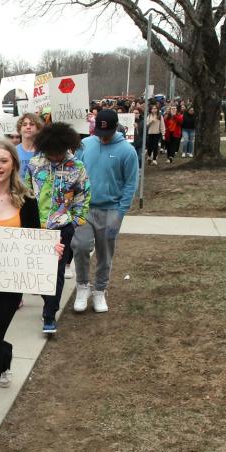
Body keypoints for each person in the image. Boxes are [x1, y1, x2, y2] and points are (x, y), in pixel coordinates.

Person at [0, 140, 62, 428]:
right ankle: (6, 356)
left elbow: (32, 239)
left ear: (14, 165)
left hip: (8, 284)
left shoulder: (26, 202)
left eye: (4, 161)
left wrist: (48, 250)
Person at [72, 109, 139, 314]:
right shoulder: (87, 144)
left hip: (111, 210)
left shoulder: (127, 151)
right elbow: (73, 170)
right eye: (100, 133)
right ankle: (83, 286)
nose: (103, 138)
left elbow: (130, 184)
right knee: (80, 246)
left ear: (115, 127)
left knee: (105, 251)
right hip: (85, 207)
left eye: (107, 133)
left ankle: (100, 289)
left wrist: (121, 212)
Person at [26, 124, 91, 335]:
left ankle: (49, 314)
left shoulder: (77, 167)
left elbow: (83, 194)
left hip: (62, 227)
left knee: (56, 272)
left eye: (59, 152)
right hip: (36, 227)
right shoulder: (34, 164)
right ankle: (48, 301)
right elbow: (24, 192)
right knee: (39, 272)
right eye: (51, 152)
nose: (55, 156)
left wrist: (76, 220)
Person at [15, 112, 43, 178]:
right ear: (19, 129)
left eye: (32, 124)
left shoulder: (44, 151)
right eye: (24, 125)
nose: (28, 127)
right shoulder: (13, 151)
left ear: (38, 129)